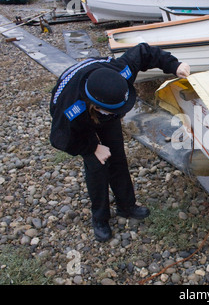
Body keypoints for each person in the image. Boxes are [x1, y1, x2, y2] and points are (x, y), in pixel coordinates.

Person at [49, 43, 190, 242]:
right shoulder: (72, 109)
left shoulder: (122, 71)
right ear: (95, 106)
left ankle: (127, 206)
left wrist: (174, 65)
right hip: (81, 121)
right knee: (97, 167)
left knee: (116, 156)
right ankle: (100, 218)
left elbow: (144, 51)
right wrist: (92, 147)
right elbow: (60, 138)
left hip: (104, 110)